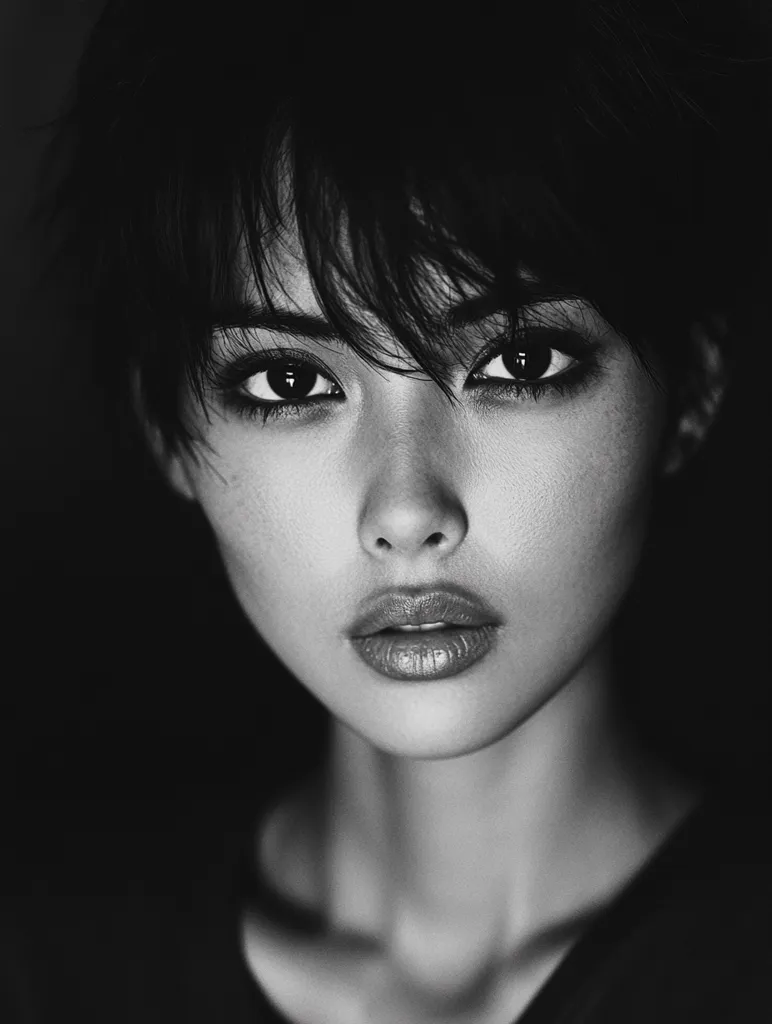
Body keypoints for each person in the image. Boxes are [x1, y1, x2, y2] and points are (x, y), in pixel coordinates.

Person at [4, 1, 770, 1022]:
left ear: (694, 385)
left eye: (519, 362)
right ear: (168, 428)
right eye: (288, 382)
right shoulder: (46, 971)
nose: (407, 512)